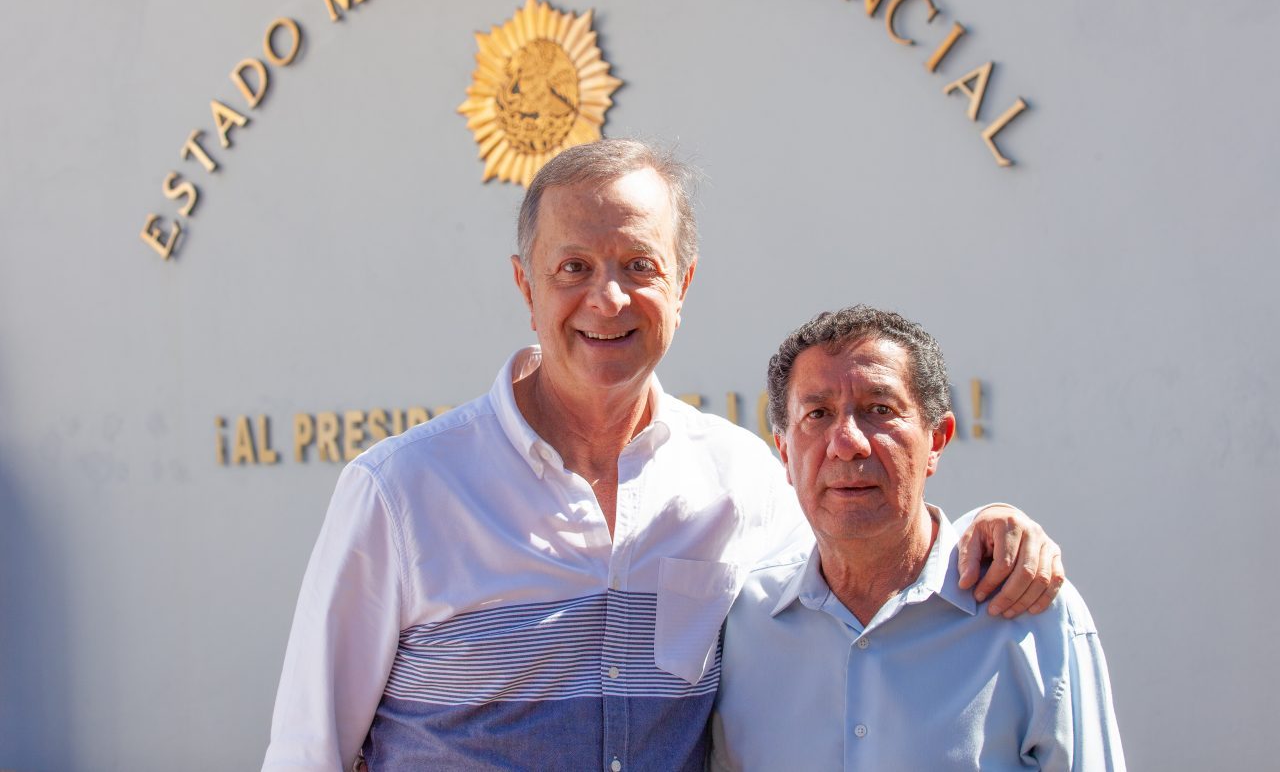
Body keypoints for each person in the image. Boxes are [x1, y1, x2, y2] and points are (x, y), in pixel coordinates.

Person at [262, 140, 1064, 771]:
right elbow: (308, 752)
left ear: (682, 285)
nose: (607, 298)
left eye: (639, 266)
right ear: (525, 287)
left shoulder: (742, 478)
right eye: (573, 267)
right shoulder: (401, 491)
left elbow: (851, 578)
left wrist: (987, 528)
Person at [711, 305, 1124, 770]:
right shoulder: (737, 620)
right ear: (785, 452)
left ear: (937, 440)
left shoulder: (1031, 612)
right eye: (818, 413)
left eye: (879, 410)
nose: (847, 443)